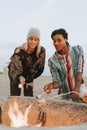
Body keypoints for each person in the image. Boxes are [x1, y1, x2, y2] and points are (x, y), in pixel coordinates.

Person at [44, 28, 86, 101]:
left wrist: (76, 90)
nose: (56, 43)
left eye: (59, 40)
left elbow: (79, 71)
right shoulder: (52, 61)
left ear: (66, 39)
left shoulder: (77, 50)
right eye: (54, 41)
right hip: (64, 92)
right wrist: (52, 85)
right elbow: (58, 82)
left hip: (79, 87)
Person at [8, 27, 46, 96]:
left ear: (38, 41)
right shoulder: (19, 50)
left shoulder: (41, 51)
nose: (33, 42)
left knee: (29, 95)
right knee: (15, 96)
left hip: (29, 74)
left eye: (36, 40)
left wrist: (29, 79)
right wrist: (20, 77)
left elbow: (39, 68)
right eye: (31, 39)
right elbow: (14, 68)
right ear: (27, 39)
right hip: (15, 74)